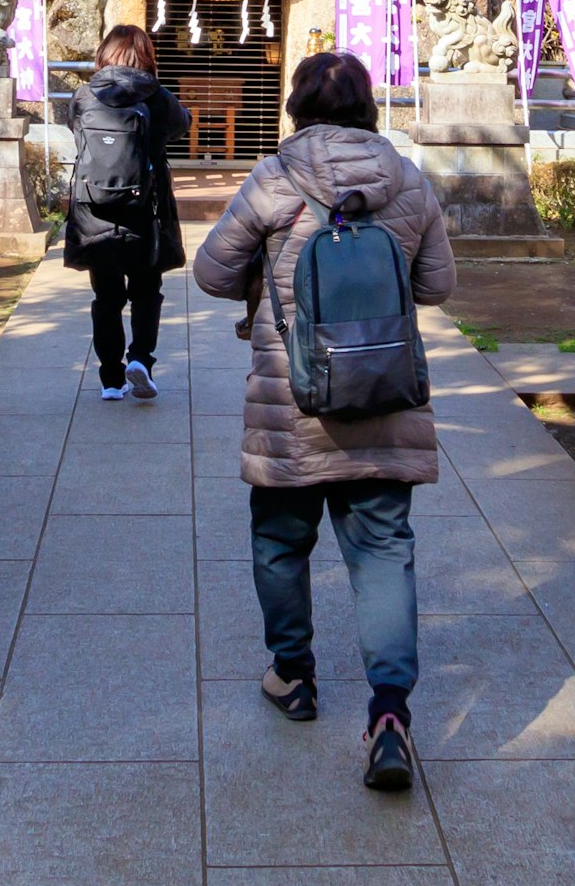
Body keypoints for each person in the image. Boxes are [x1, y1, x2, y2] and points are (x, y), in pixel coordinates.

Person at [190, 48, 456, 792]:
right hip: (384, 398)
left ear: (297, 108)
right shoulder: (407, 179)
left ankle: (294, 676)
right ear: (370, 108)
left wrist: (271, 270)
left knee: (281, 539)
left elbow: (210, 272)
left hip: (292, 403)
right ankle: (391, 714)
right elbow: (436, 286)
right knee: (382, 551)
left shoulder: (275, 178)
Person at [65, 24, 187, 399]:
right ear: (146, 56)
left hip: (94, 211)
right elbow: (182, 127)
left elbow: (77, 134)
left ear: (104, 54)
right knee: (147, 292)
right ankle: (140, 361)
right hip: (145, 211)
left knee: (106, 298)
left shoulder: (84, 96)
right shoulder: (158, 97)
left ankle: (110, 380)